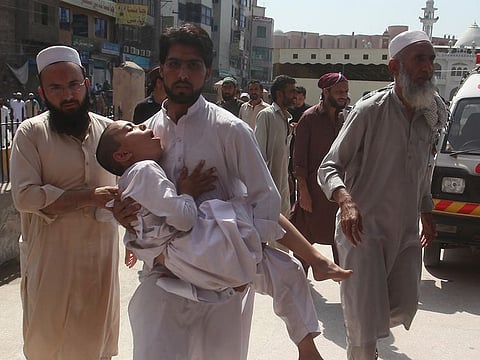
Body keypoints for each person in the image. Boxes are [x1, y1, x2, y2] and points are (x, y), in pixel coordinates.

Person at [114, 23, 351, 360]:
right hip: (163, 283)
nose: (182, 73)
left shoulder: (231, 130)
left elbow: (264, 210)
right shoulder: (146, 135)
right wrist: (124, 217)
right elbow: (131, 204)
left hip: (223, 288)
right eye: (174, 64)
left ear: (207, 72)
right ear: (161, 70)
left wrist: (312, 257)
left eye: (193, 65)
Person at [317, 30, 447, 360]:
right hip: (364, 234)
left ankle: (367, 327)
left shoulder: (427, 115)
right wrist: (345, 202)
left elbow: (421, 171)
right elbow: (328, 167)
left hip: (403, 234)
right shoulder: (369, 111)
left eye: (431, 59)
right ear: (394, 67)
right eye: (419, 59)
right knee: (362, 326)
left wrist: (426, 210)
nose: (428, 67)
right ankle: (363, 344)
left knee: (402, 305)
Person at [10, 45, 120, 360]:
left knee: (97, 341)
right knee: (49, 342)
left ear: (86, 84)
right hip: (51, 261)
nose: (67, 94)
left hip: (99, 258)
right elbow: (25, 196)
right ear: (43, 92)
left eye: (73, 85)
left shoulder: (108, 132)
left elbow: (127, 185)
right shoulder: (30, 134)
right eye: (56, 88)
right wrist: (87, 197)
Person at [96, 120, 265, 295]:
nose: (144, 126)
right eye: (131, 128)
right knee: (246, 211)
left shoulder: (129, 181)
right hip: (191, 251)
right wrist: (187, 192)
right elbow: (184, 220)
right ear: (122, 154)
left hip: (179, 263)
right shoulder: (144, 169)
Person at [291, 73, 349, 271]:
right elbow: (299, 162)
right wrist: (303, 194)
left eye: (346, 92)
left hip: (336, 193)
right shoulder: (309, 118)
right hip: (313, 196)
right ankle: (297, 296)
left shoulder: (344, 119)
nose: (343, 96)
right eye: (339, 92)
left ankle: (348, 299)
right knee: (302, 253)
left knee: (343, 249)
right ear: (326, 92)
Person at [255, 75, 296, 219]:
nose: (294, 95)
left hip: (283, 184)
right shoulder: (266, 116)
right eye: (291, 91)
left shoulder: (286, 118)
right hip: (268, 187)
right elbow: (259, 156)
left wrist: (288, 175)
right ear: (279, 94)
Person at [288, 85, 311, 204]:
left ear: (304, 98)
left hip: (303, 146)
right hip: (290, 145)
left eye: (300, 99)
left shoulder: (308, 112)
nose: (297, 102)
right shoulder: (288, 111)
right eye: (295, 99)